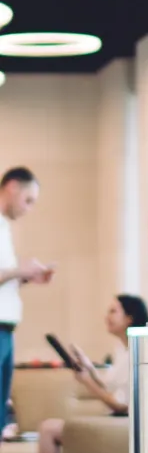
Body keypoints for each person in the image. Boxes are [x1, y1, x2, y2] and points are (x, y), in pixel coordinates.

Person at [1, 292, 148, 453]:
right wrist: (89, 370)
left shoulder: (138, 351)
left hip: (127, 422)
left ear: (130, 318)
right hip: (120, 421)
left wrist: (86, 382)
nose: (107, 316)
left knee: (49, 428)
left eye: (114, 311)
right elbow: (111, 386)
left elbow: (121, 406)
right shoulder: (122, 350)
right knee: (49, 428)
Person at [0, 167, 54, 438]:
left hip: (7, 329)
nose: (29, 209)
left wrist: (27, 277)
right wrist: (19, 270)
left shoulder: (4, 227)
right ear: (12, 187)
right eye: (28, 200)